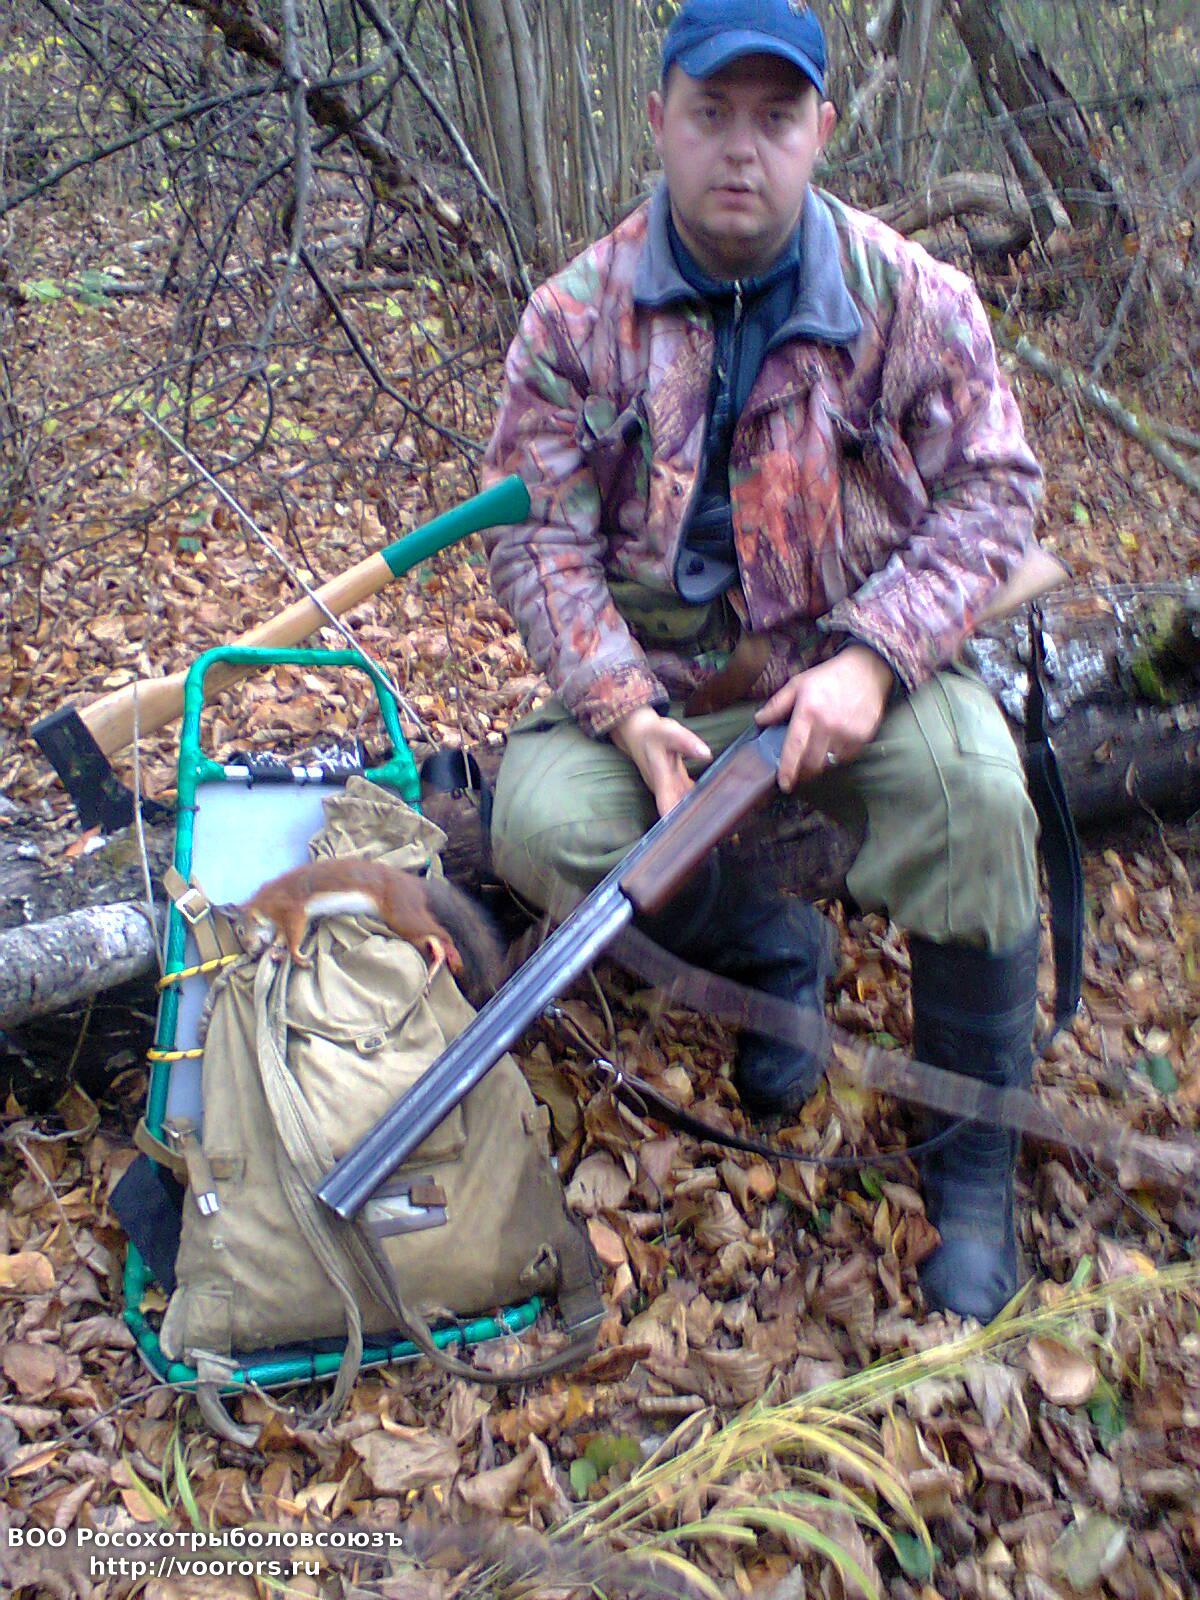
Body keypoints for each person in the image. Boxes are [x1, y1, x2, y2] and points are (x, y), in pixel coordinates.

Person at [480, 0, 1047, 1323]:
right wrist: (622, 708)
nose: (743, 148)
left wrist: (876, 658)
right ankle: (772, 951)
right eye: (712, 113)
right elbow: (537, 540)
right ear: (660, 121)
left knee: (979, 798)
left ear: (823, 130)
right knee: (543, 831)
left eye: (776, 117)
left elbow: (997, 495)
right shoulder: (572, 318)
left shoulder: (912, 297)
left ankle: (971, 1179)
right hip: (666, 690)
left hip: (862, 668)